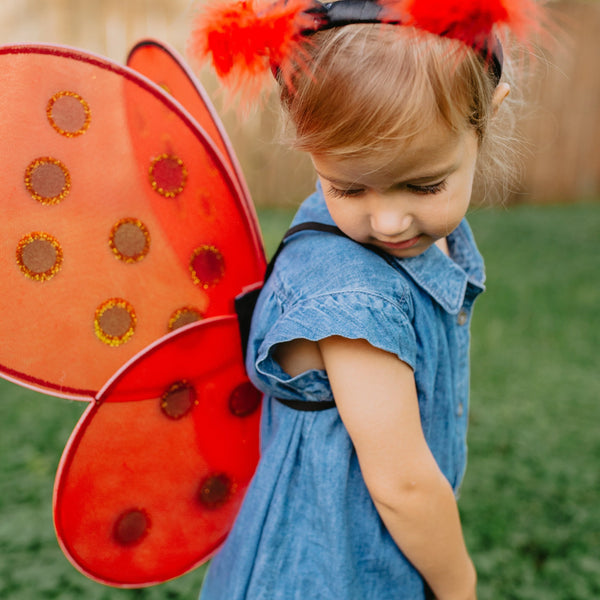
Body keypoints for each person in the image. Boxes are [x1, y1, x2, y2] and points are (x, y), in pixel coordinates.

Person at [193, 1, 541, 598]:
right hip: (328, 572)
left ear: (488, 116)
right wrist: (459, 582)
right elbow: (403, 487)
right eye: (348, 187)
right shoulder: (352, 306)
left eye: (424, 184)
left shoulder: (388, 237)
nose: (387, 219)